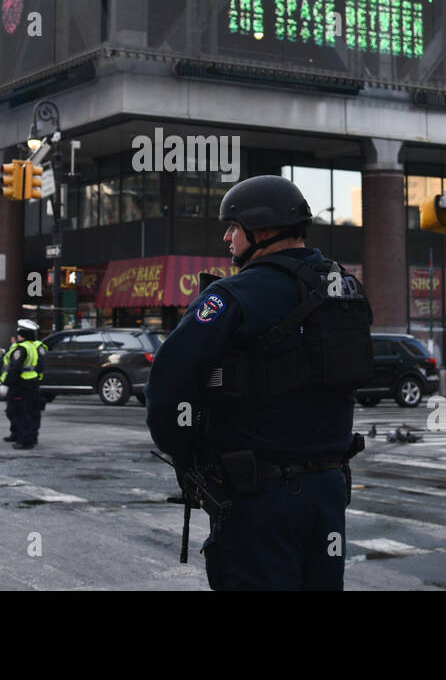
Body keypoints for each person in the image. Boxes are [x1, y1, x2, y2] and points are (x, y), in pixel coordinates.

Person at [145, 174, 372, 591]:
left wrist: (187, 461)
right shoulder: (346, 289)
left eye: (233, 227)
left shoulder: (235, 295)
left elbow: (167, 385)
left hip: (258, 496)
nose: (227, 238)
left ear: (262, 229)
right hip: (329, 492)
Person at [1, 319, 46, 449]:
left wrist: (6, 384)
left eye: (19, 333)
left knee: (20, 413)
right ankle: (27, 437)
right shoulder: (32, 346)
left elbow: (15, 369)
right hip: (30, 382)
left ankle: (25, 440)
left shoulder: (22, 348)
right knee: (27, 412)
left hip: (21, 384)